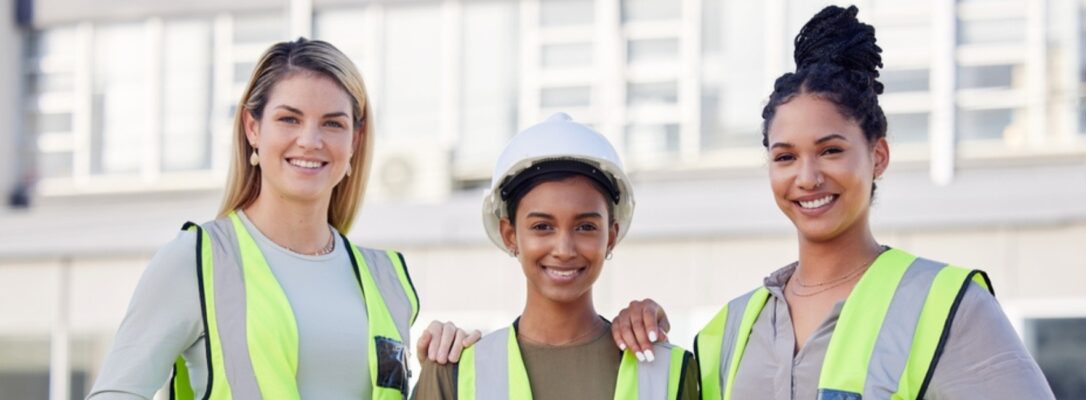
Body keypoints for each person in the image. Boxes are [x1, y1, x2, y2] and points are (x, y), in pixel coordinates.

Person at [610, 6, 1055, 399]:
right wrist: (643, 337)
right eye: (785, 157)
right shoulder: (727, 331)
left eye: (831, 150)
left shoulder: (947, 306)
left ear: (877, 156)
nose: (808, 177)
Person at [88, 38, 472, 400]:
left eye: (333, 123)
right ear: (252, 128)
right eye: (289, 119)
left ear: (355, 140)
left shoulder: (386, 278)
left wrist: (441, 371)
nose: (310, 140)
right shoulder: (198, 260)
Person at [412, 113, 700, 400]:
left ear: (610, 237)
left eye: (586, 227)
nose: (564, 249)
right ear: (510, 235)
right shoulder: (453, 374)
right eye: (542, 227)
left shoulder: (669, 372)